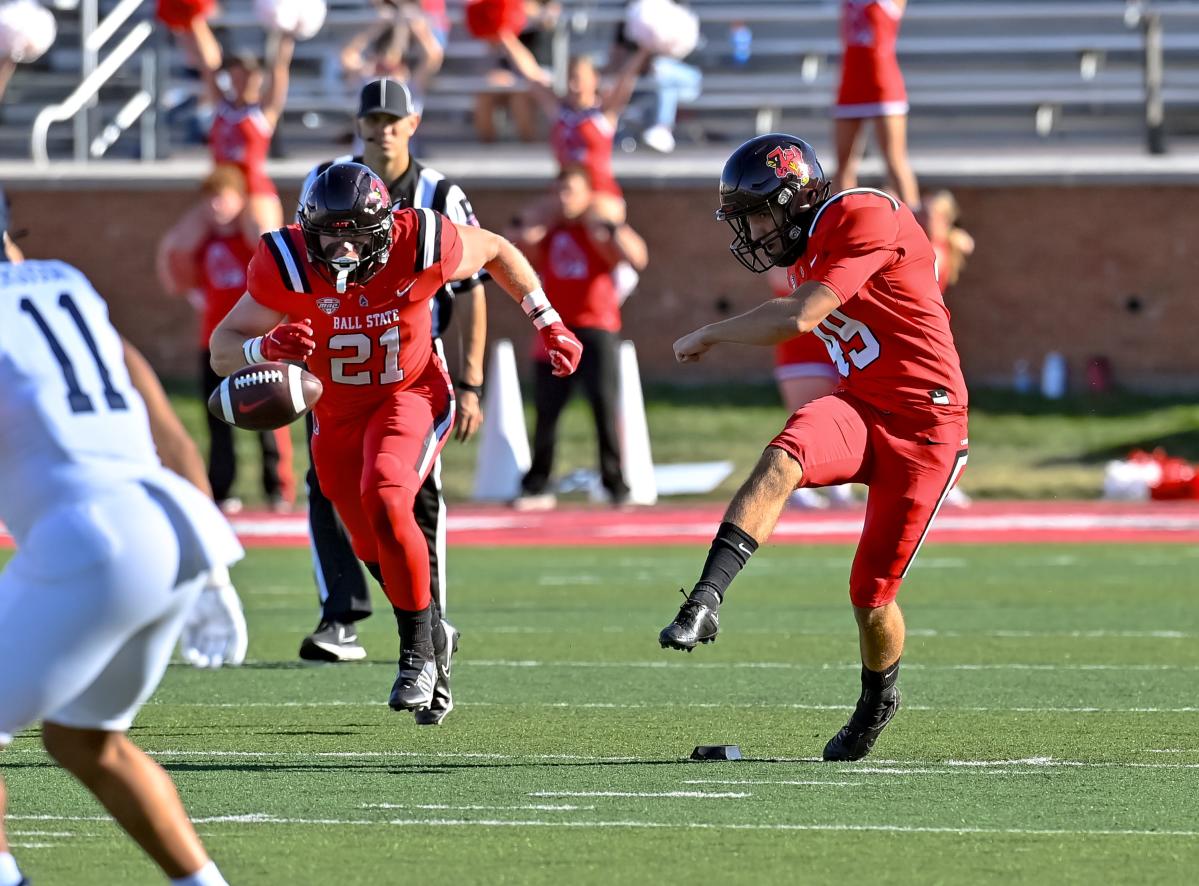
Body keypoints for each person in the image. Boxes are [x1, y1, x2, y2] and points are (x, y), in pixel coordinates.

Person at [209, 161, 583, 719]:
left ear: (385, 229)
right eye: (329, 239)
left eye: (355, 237)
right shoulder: (283, 264)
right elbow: (222, 347)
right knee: (364, 540)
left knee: (385, 495)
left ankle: (417, 656)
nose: (343, 254)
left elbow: (499, 250)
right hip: (333, 412)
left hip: (410, 391)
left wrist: (547, 319)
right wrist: (265, 349)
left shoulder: (421, 239)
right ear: (306, 235)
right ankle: (435, 634)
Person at [658, 134, 969, 762]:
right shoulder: (809, 247)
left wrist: (712, 333)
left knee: (870, 592)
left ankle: (878, 699)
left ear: (795, 198)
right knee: (783, 455)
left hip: (925, 426)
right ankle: (706, 599)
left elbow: (800, 316)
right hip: (861, 404)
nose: (752, 232)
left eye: (757, 214)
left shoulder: (863, 215)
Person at [0, 250, 246, 885]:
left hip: (91, 537)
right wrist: (215, 570)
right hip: (178, 527)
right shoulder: (69, 285)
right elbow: (166, 426)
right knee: (85, 741)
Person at [292, 79, 488, 731]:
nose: (381, 129)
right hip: (337, 373)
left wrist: (472, 381)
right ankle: (349, 613)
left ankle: (427, 635)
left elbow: (478, 282)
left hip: (408, 372)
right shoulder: (324, 183)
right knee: (332, 488)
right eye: (371, 118)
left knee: (403, 499)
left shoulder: (439, 197)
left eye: (392, 118)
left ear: (413, 123)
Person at [157, 164, 296, 514]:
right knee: (218, 418)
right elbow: (180, 276)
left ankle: (277, 488)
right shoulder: (207, 245)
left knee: (270, 415)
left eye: (224, 198)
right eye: (211, 199)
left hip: (260, 342)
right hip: (215, 344)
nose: (216, 206)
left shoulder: (255, 245)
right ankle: (222, 489)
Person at [508, 165, 648, 509]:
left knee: (603, 408)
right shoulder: (551, 232)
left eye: (570, 191)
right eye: (559, 192)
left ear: (587, 194)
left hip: (596, 329)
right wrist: (535, 218)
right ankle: (537, 483)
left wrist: (610, 223)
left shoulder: (597, 232)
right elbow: (515, 247)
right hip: (555, 329)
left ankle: (615, 484)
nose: (563, 199)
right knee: (546, 411)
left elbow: (637, 258)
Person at [496, 27, 650, 220]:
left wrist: (645, 49)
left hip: (599, 192)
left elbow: (626, 78)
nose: (573, 86)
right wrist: (505, 36)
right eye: (570, 79)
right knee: (524, 227)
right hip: (563, 194)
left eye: (578, 79)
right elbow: (531, 73)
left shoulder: (603, 112)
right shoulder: (559, 110)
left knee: (600, 226)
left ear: (594, 80)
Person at [180, 16, 296, 235]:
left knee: (263, 236)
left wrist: (285, 28)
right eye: (236, 75)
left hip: (253, 189)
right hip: (222, 189)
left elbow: (279, 68)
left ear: (257, 78)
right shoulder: (222, 106)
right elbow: (208, 65)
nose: (241, 80)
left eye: (247, 75)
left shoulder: (263, 112)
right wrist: (194, 18)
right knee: (179, 246)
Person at [766, 267, 851, 509]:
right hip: (802, 348)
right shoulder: (789, 250)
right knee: (806, 424)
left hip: (842, 343)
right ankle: (792, 483)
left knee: (843, 420)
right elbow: (779, 278)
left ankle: (840, 482)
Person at [833, 0, 920, 208]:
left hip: (883, 85)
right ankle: (843, 221)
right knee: (844, 164)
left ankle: (917, 227)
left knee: (895, 160)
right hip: (851, 84)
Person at [475, 1, 559, 144]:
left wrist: (521, 12)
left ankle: (529, 145)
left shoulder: (544, 10)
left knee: (519, 99)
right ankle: (487, 147)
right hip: (510, 72)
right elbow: (493, 45)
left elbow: (532, 72)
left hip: (539, 71)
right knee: (486, 90)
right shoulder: (507, 12)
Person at [341, 0, 444, 107]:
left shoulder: (408, 85)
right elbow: (348, 55)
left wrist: (417, 27)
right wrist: (377, 27)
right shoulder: (367, 78)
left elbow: (433, 56)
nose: (387, 59)